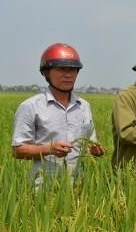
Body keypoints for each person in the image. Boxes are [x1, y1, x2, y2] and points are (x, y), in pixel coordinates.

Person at [11, 43, 104, 187]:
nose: (68, 75)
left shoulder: (84, 106)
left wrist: (94, 150)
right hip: (43, 188)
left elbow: (89, 143)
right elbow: (18, 150)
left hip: (79, 186)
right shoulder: (30, 107)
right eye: (61, 69)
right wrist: (49, 149)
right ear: (46, 73)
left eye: (72, 70)